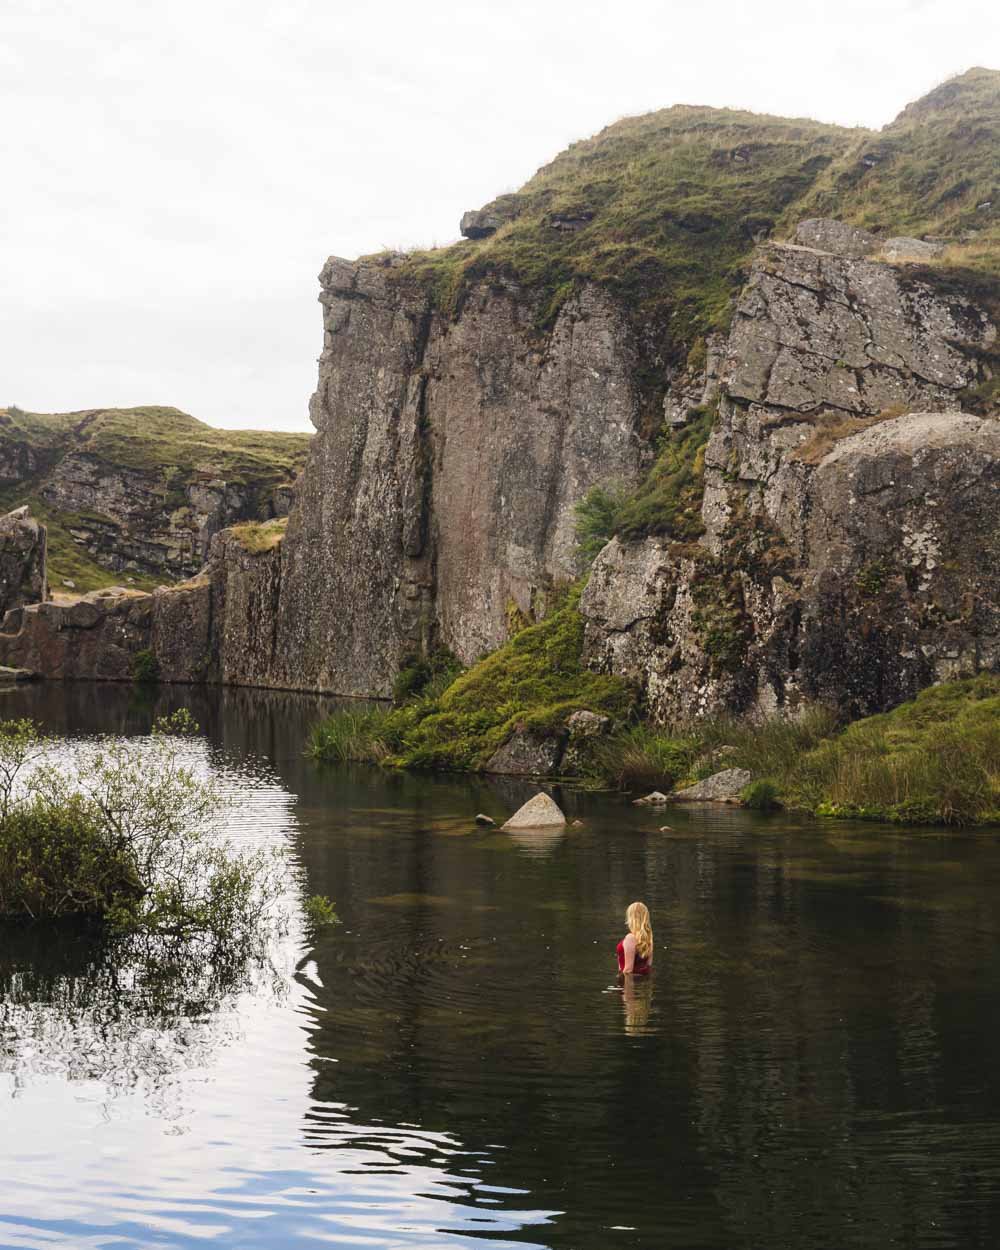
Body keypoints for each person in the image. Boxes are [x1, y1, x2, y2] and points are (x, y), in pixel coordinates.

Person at [616, 900, 653, 976]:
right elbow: (648, 966)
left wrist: (626, 987)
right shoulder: (648, 938)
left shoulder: (630, 938)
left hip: (628, 983)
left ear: (631, 917)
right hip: (643, 982)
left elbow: (628, 971)